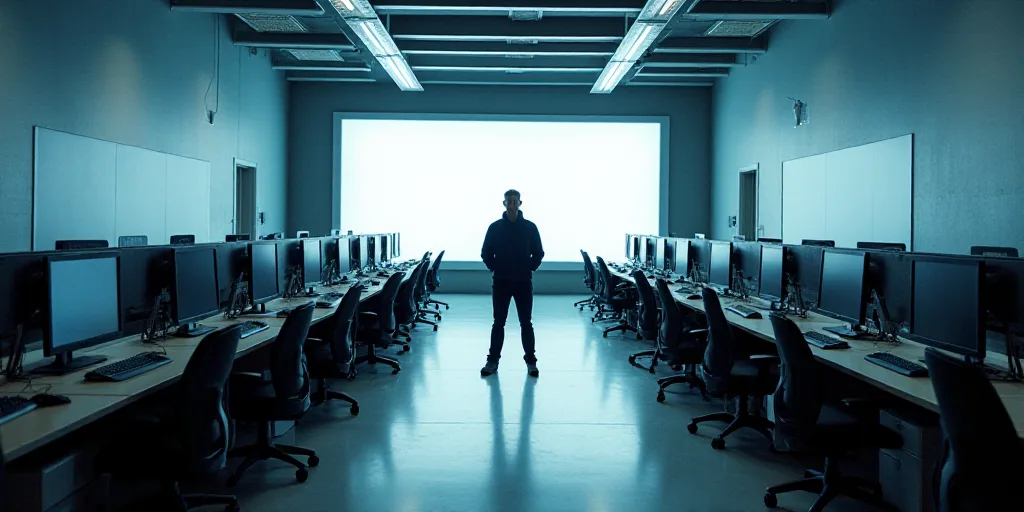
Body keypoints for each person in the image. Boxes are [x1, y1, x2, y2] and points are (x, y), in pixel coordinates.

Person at [480, 189, 544, 377]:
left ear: (520, 203)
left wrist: (529, 267)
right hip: (501, 281)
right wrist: (495, 267)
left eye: (515, 201)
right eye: (509, 201)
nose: (512, 204)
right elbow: (485, 252)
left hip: (523, 281)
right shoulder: (495, 227)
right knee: (498, 322)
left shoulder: (530, 228)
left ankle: (531, 362)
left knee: (526, 322)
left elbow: (539, 252)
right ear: (504, 203)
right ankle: (492, 361)